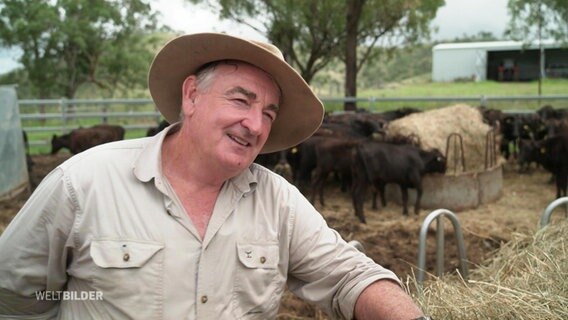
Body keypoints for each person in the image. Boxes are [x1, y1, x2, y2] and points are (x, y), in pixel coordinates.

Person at [0, 33, 428, 320]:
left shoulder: (277, 200)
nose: (256, 125)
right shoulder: (84, 182)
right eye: (240, 100)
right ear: (191, 95)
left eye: (268, 113)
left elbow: (349, 276)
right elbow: (17, 298)